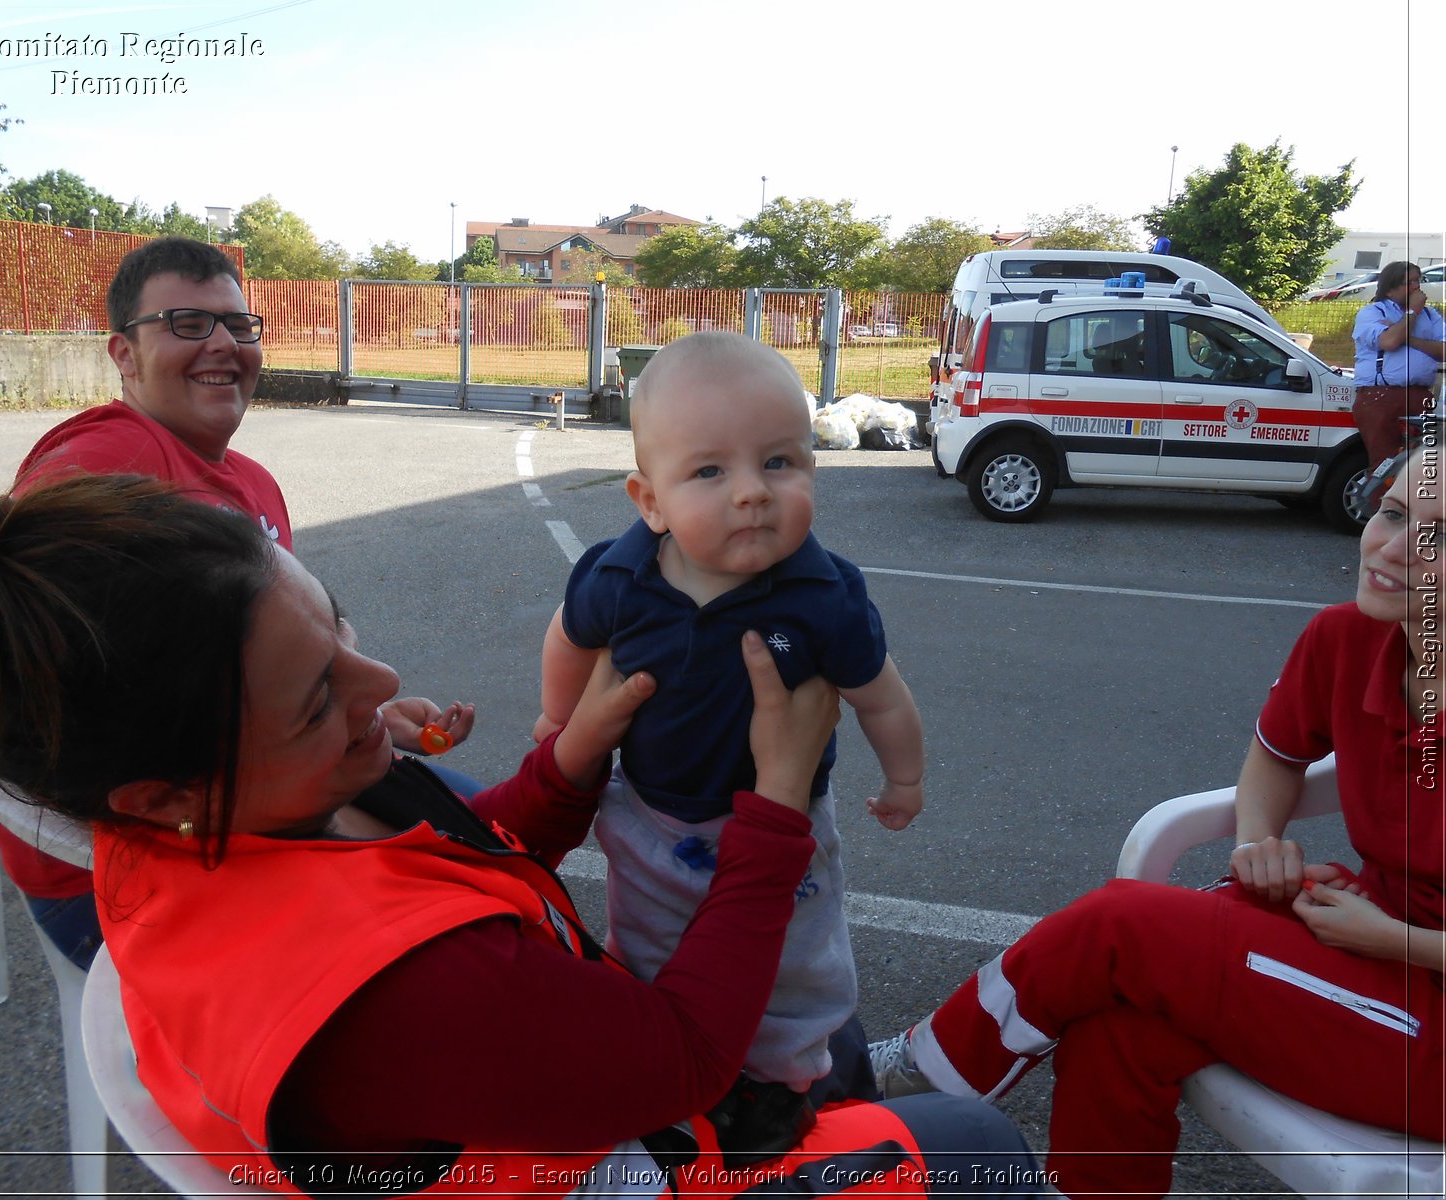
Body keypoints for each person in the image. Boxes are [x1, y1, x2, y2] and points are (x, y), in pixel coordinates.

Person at [0, 475, 1043, 1199]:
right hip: (613, 1164)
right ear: (165, 792)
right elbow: (678, 1056)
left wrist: (574, 756)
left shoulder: (204, 837)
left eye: (341, 630)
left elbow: (462, 853)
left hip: (533, 1105)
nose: (382, 682)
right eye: (319, 696)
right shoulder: (404, 994)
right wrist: (776, 807)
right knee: (979, 1146)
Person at [869, 445, 1446, 1199]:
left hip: (1416, 989)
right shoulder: (1350, 637)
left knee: (1121, 928)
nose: (1393, 546)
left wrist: (1393, 940)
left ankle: (897, 1090)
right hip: (1371, 946)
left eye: (1437, 536)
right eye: (1394, 513)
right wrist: (1256, 843)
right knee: (1119, 1031)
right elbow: (1274, 757)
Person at [0, 236, 474, 969]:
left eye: (239, 325)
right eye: (187, 323)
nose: (222, 342)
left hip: (254, 801)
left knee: (476, 834)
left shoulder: (253, 484)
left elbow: (265, 675)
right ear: (122, 355)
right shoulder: (107, 465)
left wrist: (357, 712)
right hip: (137, 862)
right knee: (455, 907)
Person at [535, 332, 926, 1142]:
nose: (752, 493)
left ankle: (785, 1073)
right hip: (652, 813)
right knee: (646, 939)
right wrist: (558, 718)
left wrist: (905, 778)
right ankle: (672, 1058)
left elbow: (882, 696)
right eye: (711, 472)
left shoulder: (824, 594)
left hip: (786, 828)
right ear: (650, 500)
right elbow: (568, 637)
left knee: (798, 958)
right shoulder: (619, 576)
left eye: (779, 462)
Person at [1352, 260, 1446, 473]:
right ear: (1391, 288)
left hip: (1419, 395)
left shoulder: (1431, 315)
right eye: (1409, 282)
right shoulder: (1373, 313)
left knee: (1425, 464)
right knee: (1386, 464)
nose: (1416, 287)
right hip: (1380, 396)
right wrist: (1412, 312)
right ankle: (1382, 505)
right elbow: (1389, 342)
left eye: (1418, 280)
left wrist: (1409, 339)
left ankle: (1415, 505)